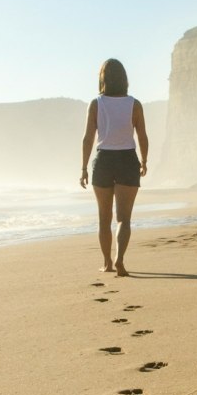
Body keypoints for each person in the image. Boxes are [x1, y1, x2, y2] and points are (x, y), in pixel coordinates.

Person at [80, 58, 148, 276]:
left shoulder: (96, 104)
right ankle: (120, 260)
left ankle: (107, 262)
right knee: (123, 219)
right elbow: (142, 136)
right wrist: (144, 161)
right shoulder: (134, 104)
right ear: (124, 79)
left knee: (104, 218)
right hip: (127, 159)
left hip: (103, 160)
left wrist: (83, 168)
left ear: (103, 79)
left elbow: (88, 138)